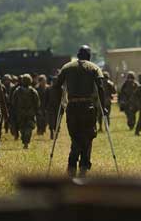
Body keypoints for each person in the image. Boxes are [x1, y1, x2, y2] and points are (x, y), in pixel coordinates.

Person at [53, 45, 106, 177]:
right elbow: (100, 87)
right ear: (89, 56)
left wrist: (59, 102)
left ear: (77, 55)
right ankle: (83, 165)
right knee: (87, 137)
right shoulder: (94, 67)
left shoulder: (67, 67)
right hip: (87, 107)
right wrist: (103, 106)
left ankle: (72, 165)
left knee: (75, 136)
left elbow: (56, 86)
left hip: (72, 108)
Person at [11, 74, 40, 149]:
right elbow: (37, 103)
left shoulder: (18, 91)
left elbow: (14, 102)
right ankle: (26, 142)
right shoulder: (32, 91)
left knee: (24, 128)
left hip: (22, 113)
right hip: (28, 113)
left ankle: (25, 141)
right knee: (27, 128)